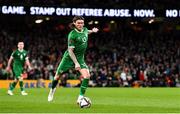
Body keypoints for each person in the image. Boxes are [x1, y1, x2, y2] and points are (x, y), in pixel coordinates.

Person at [48, 16, 99, 103]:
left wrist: (93, 31)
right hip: (68, 58)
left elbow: (87, 32)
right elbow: (70, 51)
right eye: (78, 23)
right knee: (57, 77)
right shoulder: (72, 35)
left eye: (82, 23)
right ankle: (52, 90)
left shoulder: (85, 29)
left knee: (87, 76)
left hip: (80, 58)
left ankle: (80, 97)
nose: (80, 25)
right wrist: (76, 63)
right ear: (74, 23)